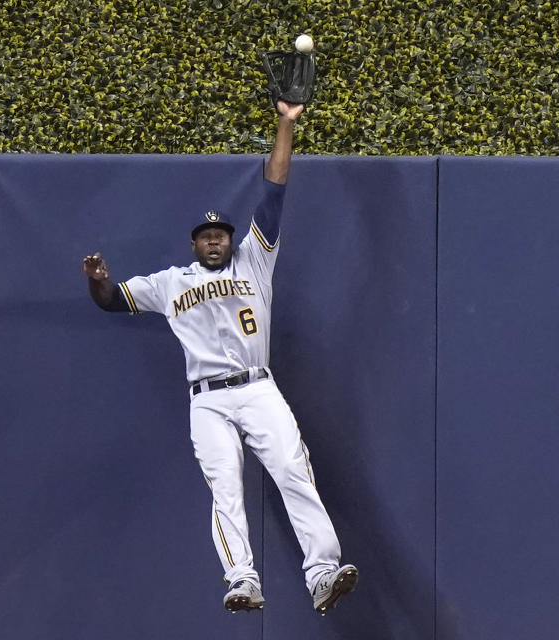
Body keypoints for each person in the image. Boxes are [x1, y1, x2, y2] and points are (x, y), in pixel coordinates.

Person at [81, 101, 357, 614]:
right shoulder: (168, 283)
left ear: (232, 240)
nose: (216, 241)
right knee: (225, 489)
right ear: (194, 244)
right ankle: (242, 581)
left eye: (222, 235)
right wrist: (96, 282)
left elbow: (275, 185)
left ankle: (322, 574)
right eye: (208, 236)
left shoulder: (256, 259)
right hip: (206, 400)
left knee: (294, 471)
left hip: (257, 386)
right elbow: (113, 300)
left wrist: (286, 123)